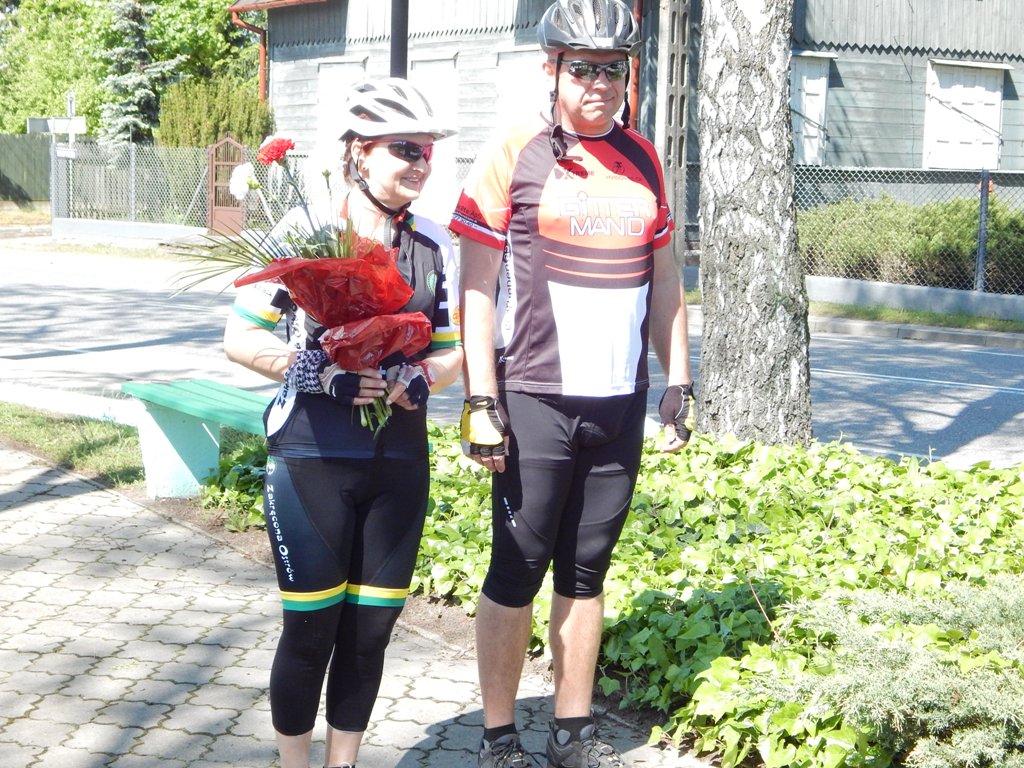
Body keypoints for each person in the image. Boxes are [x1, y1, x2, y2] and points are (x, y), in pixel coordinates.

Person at [450, 1, 695, 766]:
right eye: (582, 67)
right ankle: (497, 736)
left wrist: (679, 380)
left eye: (613, 69)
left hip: (617, 401)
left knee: (588, 573)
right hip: (534, 395)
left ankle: (572, 730)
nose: (599, 83)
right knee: (517, 568)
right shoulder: (513, 150)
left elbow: (665, 280)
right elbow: (477, 289)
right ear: (550, 69)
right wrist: (480, 401)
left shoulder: (644, 158)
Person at [223, 77, 462, 768]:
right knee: (311, 633)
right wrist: (320, 372)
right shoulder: (305, 233)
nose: (421, 162)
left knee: (370, 634)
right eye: (405, 149)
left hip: (398, 461)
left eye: (427, 151)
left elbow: (452, 352)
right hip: (312, 457)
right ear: (359, 152)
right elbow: (241, 339)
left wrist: (421, 377)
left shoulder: (434, 244)